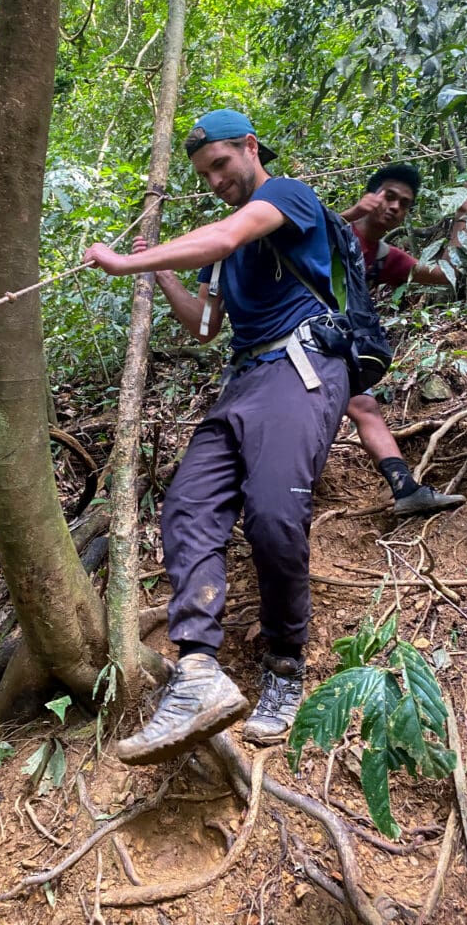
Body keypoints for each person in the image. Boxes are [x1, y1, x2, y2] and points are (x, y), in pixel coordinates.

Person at [83, 109, 351, 764]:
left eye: (221, 166)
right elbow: (205, 325)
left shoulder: (284, 195)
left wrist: (122, 262)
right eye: (203, 175)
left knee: (272, 513)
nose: (214, 181)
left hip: (302, 363)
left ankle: (285, 666)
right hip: (244, 381)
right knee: (188, 506)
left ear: (250, 148)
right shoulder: (224, 255)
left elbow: (231, 233)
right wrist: (157, 270)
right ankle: (198, 670)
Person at [339, 163, 467, 515]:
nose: (395, 206)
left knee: (364, 406)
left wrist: (462, 220)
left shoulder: (383, 257)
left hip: (338, 348)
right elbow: (296, 237)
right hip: (294, 344)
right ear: (370, 196)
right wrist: (351, 214)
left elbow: (441, 275)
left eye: (404, 203)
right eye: (389, 196)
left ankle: (406, 489)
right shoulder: (334, 231)